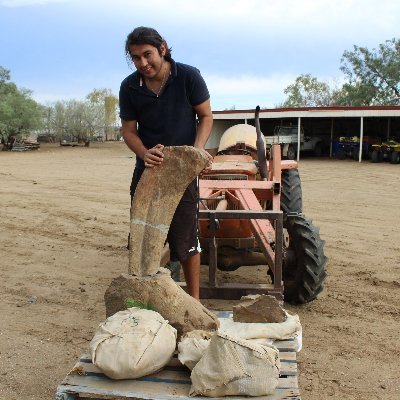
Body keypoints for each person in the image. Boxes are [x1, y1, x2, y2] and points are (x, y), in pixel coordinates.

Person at [119, 27, 213, 300]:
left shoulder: (188, 76)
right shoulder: (129, 87)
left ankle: (193, 300)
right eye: (136, 58)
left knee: (185, 239)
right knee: (143, 236)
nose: (143, 63)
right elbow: (129, 131)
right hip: (148, 171)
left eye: (147, 54)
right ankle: (142, 296)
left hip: (182, 172)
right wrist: (144, 153)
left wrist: (196, 153)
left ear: (163, 48)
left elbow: (206, 116)